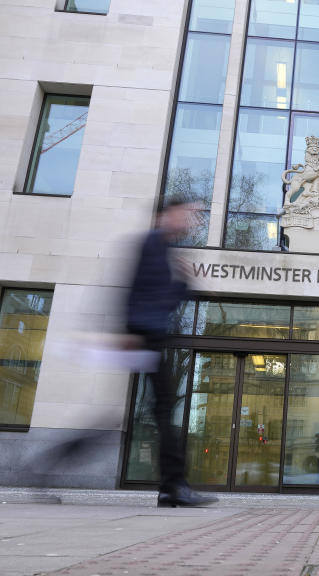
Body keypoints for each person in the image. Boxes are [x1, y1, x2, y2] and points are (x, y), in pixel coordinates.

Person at [125, 196, 217, 508]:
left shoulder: (163, 248)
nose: (191, 221)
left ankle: (171, 487)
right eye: (187, 214)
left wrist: (183, 282)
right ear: (167, 214)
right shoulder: (152, 244)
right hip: (147, 335)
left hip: (150, 335)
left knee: (160, 409)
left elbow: (162, 297)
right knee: (163, 410)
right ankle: (174, 486)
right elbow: (141, 291)